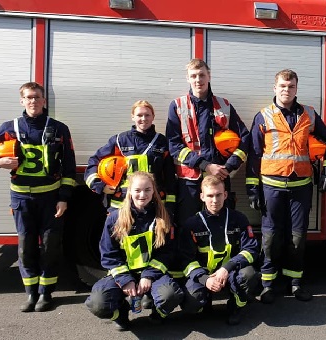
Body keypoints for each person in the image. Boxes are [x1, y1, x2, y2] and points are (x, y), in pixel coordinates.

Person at [0, 82, 77, 312]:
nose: (33, 101)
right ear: (22, 101)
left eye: (37, 97)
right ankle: (31, 293)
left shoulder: (59, 129)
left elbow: (69, 168)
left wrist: (64, 197)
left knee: (51, 246)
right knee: (26, 247)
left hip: (51, 199)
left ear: (44, 101)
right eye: (29, 97)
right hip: (22, 200)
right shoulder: (9, 128)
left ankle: (46, 294)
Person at [246, 69, 326, 303]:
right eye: (283, 86)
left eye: (291, 86)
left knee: (297, 238)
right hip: (271, 186)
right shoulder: (263, 116)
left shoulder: (309, 114)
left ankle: (295, 283)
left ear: (297, 88)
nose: (287, 90)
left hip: (301, 186)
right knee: (271, 237)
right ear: (274, 88)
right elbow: (254, 154)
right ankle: (268, 284)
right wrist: (253, 188)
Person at [85, 172, 186, 331]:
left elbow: (167, 252)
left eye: (147, 190)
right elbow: (109, 254)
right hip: (125, 273)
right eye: (137, 190)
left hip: (152, 273)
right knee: (98, 303)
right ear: (129, 191)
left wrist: (148, 276)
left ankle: (157, 313)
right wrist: (125, 279)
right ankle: (121, 314)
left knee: (170, 295)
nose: (142, 194)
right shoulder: (115, 218)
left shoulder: (163, 217)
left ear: (154, 191)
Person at [166, 58, 250, 228]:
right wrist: (205, 166)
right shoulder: (177, 106)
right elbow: (174, 146)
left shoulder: (224, 105)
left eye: (202, 75)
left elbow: (246, 138)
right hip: (190, 180)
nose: (198, 80)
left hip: (220, 177)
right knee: (188, 227)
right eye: (194, 76)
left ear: (209, 76)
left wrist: (229, 166)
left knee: (221, 226)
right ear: (188, 78)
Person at [181, 175, 259, 325]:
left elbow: (251, 250)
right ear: (202, 197)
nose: (215, 200)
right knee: (191, 303)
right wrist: (205, 280)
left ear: (225, 195)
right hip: (204, 275)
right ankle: (205, 300)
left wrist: (227, 268)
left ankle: (236, 306)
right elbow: (186, 260)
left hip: (230, 273)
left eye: (218, 195)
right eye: (210, 196)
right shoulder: (192, 224)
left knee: (249, 275)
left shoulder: (238, 218)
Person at [84, 100, 176, 217]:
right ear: (132, 117)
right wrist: (100, 186)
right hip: (122, 204)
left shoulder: (162, 142)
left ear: (153, 117)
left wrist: (170, 206)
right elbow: (94, 161)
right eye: (139, 115)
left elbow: (170, 178)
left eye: (147, 115)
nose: (144, 119)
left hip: (154, 204)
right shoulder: (120, 141)